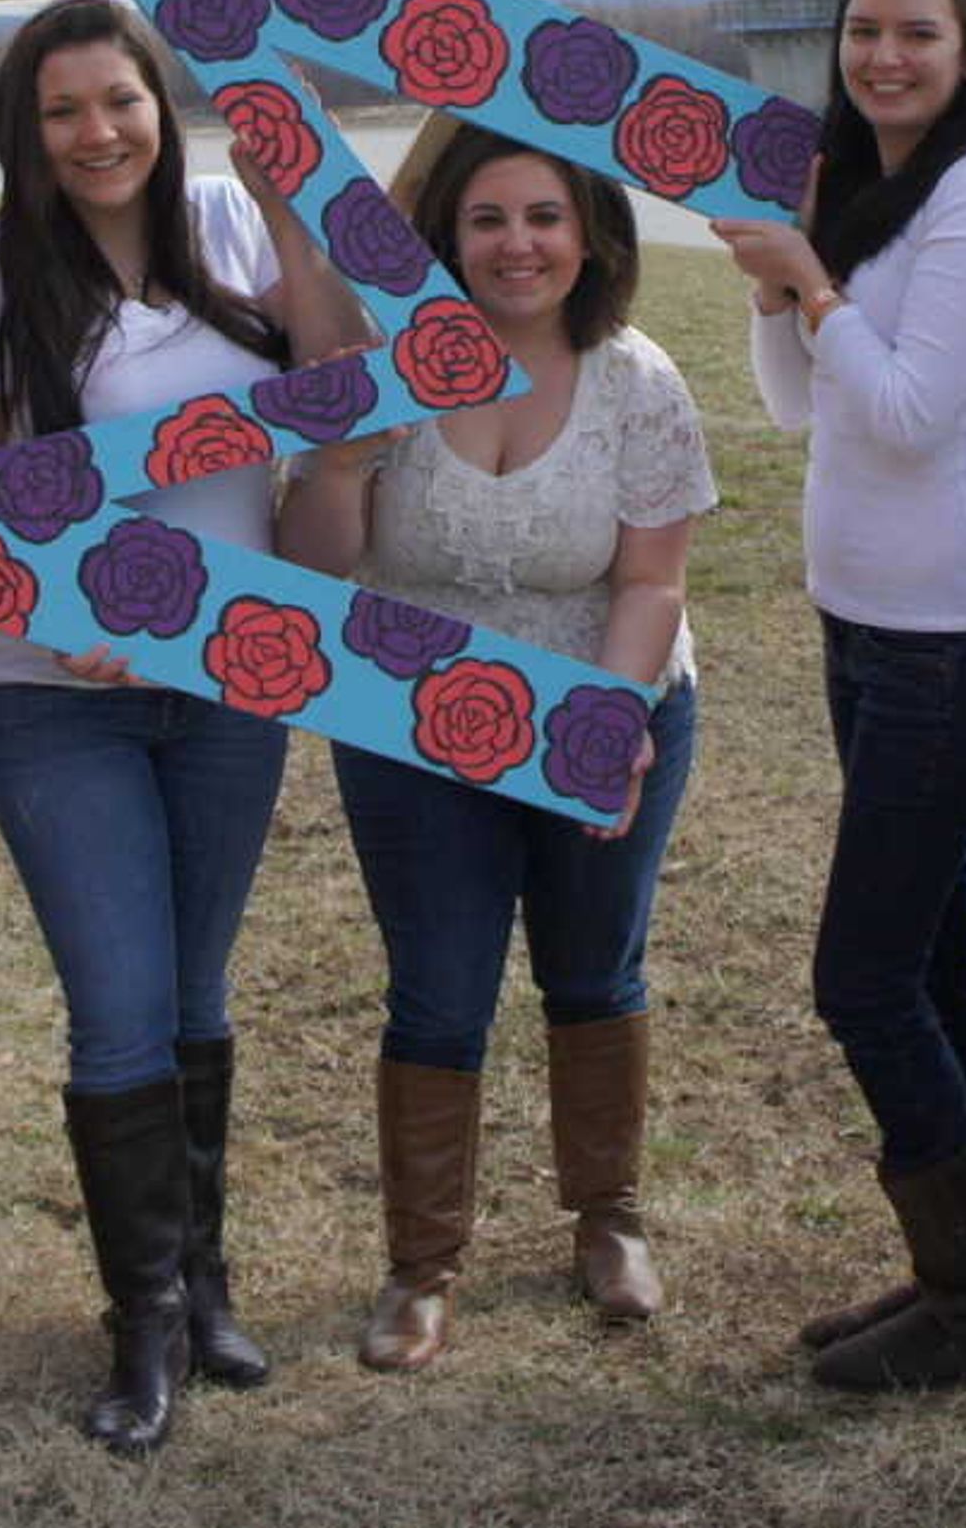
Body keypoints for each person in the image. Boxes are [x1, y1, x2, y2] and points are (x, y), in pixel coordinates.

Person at [0, 0, 365, 1456]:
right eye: (61, 111)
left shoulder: (237, 226)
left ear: (159, 104)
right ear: (27, 134)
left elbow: (334, 386)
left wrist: (299, 202)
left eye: (118, 101)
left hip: (230, 685)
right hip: (61, 699)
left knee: (193, 994)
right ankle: (139, 1332)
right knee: (119, 1003)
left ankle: (202, 1286)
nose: (97, 132)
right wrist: (75, 624)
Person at [276, 127, 716, 1372]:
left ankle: (608, 1221)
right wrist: (346, 446)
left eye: (542, 218)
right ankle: (420, 1269)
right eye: (486, 221)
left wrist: (609, 720)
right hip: (415, 720)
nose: (516, 245)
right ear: (446, 241)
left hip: (603, 703)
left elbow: (651, 583)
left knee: (593, 970)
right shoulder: (389, 365)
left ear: (589, 237)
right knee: (439, 988)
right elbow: (310, 563)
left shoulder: (639, 381)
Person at [713, 0, 966, 1394]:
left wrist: (815, 277)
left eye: (918, 34)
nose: (884, 58)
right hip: (865, 630)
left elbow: (909, 417)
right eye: (863, 31)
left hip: (953, 640)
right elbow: (799, 408)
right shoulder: (869, 192)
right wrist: (778, 284)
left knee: (862, 979)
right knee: (941, 962)